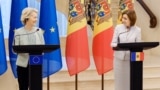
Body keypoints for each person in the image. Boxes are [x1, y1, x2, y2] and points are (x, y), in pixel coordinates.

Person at [14, 7, 45, 90]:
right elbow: (15, 49)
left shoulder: (39, 31)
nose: (36, 19)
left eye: (36, 17)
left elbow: (43, 48)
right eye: (34, 17)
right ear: (27, 18)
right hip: (22, 66)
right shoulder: (18, 32)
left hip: (36, 64)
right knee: (23, 87)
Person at [111, 9, 141, 90]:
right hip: (119, 60)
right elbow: (112, 43)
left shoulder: (137, 30)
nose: (122, 20)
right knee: (119, 82)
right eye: (122, 18)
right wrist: (120, 46)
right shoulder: (118, 28)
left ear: (131, 19)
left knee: (129, 82)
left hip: (130, 61)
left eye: (125, 18)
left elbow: (138, 46)